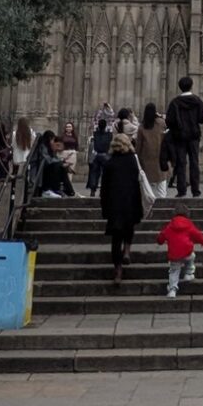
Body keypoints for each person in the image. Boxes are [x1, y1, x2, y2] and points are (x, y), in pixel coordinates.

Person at [98, 120, 146, 283]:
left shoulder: (109, 163)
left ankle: (117, 270)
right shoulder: (132, 160)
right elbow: (137, 181)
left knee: (115, 238)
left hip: (114, 204)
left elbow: (104, 188)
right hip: (130, 201)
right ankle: (127, 250)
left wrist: (104, 207)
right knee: (129, 228)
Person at [166, 77, 203, 197]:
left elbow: (169, 120)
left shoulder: (175, 102)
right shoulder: (197, 100)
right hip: (193, 135)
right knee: (194, 161)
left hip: (180, 136)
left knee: (181, 162)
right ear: (191, 86)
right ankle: (196, 190)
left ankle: (181, 190)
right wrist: (195, 121)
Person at [160, 205, 203, 296]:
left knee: (174, 271)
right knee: (192, 257)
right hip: (187, 252)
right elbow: (197, 234)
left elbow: (162, 235)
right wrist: (202, 241)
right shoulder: (189, 224)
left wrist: (160, 241)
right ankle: (189, 273)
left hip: (174, 254)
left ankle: (172, 290)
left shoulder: (170, 226)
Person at [136, 102, 167, 202]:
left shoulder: (141, 127)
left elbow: (138, 147)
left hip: (146, 162)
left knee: (148, 191)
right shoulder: (161, 123)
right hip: (160, 160)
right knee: (161, 190)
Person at [85, 105, 115, 197]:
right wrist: (109, 109)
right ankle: (104, 190)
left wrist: (100, 110)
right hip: (105, 155)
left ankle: (93, 189)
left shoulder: (95, 132)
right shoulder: (109, 134)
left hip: (96, 155)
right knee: (105, 174)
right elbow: (111, 118)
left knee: (94, 173)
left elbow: (95, 120)